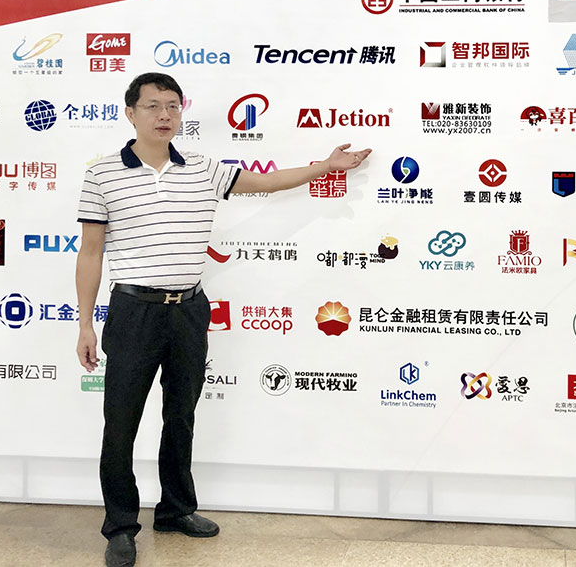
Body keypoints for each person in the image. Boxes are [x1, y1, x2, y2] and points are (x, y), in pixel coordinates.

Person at [74, 72, 370, 567]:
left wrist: (326, 167)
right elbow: (90, 252)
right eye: (153, 106)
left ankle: (175, 511)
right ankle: (121, 526)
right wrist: (85, 323)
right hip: (133, 311)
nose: (164, 115)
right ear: (130, 113)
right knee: (120, 423)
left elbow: (266, 182)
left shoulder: (203, 168)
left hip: (189, 310)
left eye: (173, 105)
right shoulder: (102, 174)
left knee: (181, 415)